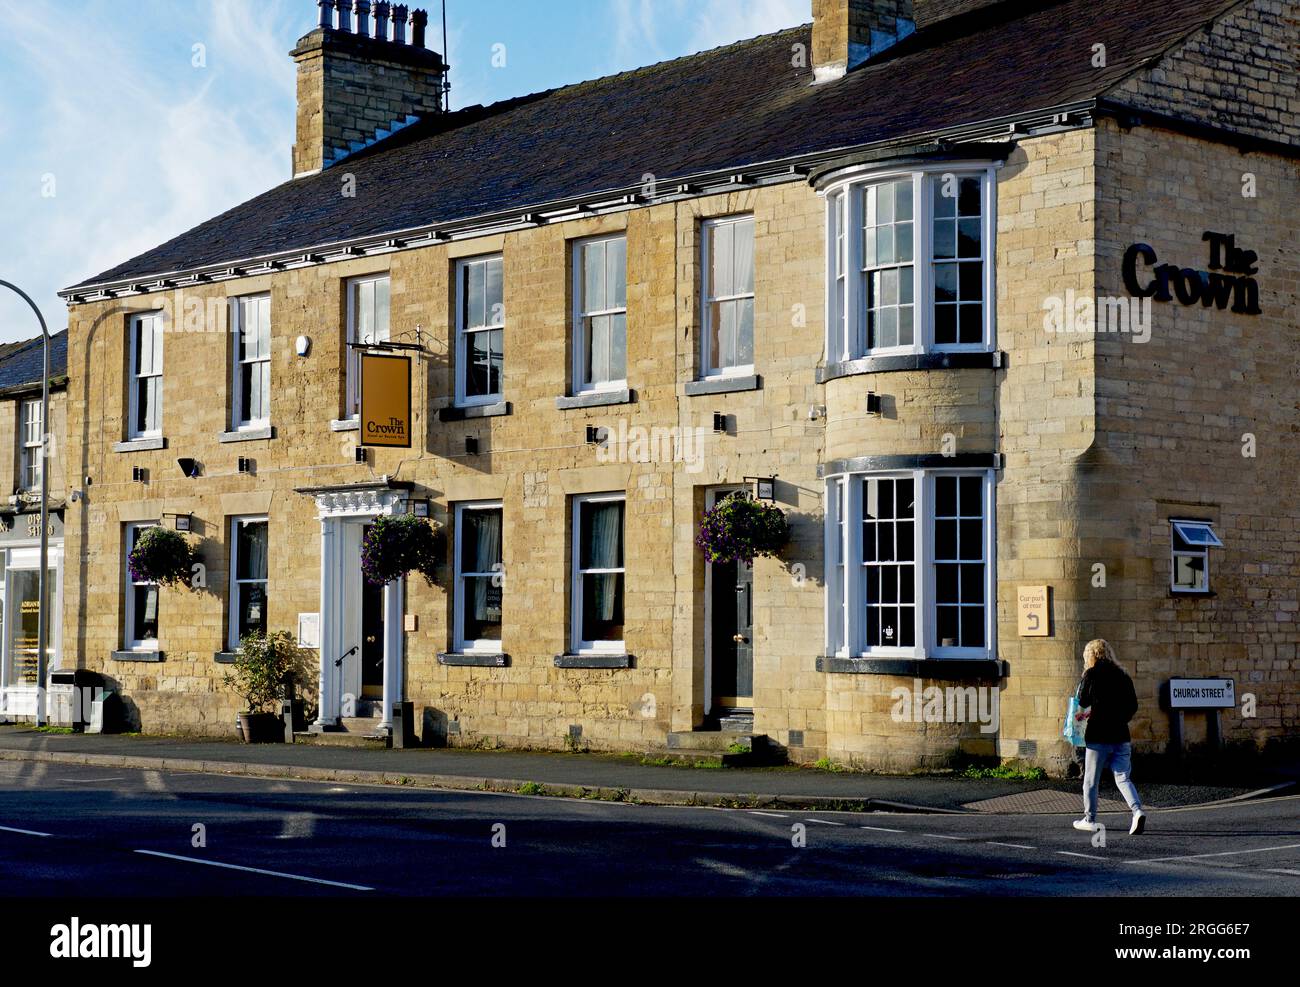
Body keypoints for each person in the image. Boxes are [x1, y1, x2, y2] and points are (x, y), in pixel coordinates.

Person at [1072, 639, 1146, 835]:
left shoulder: (1091, 675)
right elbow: (1133, 706)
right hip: (1121, 734)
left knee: (1091, 780)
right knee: (1123, 778)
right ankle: (1137, 811)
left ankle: (1089, 819)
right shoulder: (1123, 675)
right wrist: (1121, 719)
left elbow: (1083, 701)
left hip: (1098, 736)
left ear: (1091, 656)